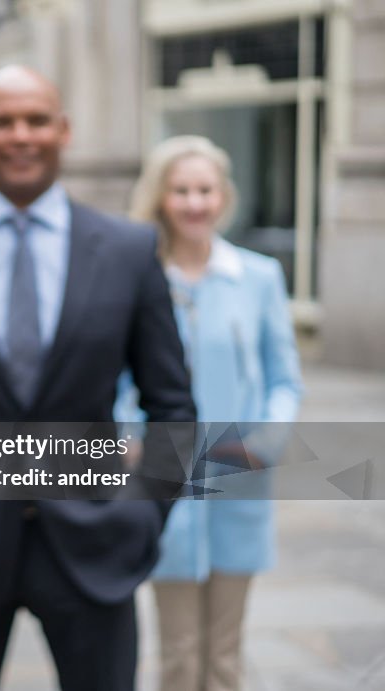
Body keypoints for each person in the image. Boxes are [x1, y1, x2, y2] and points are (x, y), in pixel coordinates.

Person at [0, 65, 196, 691]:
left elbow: (173, 407)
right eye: (3, 122)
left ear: (64, 131)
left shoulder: (130, 250)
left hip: (96, 545)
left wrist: (142, 517)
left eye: (35, 120)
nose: (20, 135)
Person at [124, 135, 303, 691]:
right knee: (177, 656)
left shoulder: (259, 277)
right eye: (181, 190)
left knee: (225, 657)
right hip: (164, 484)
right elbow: (122, 378)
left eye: (205, 189)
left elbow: (283, 377)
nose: (195, 202)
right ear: (160, 197)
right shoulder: (139, 277)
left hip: (238, 479)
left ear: (223, 196)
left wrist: (263, 442)